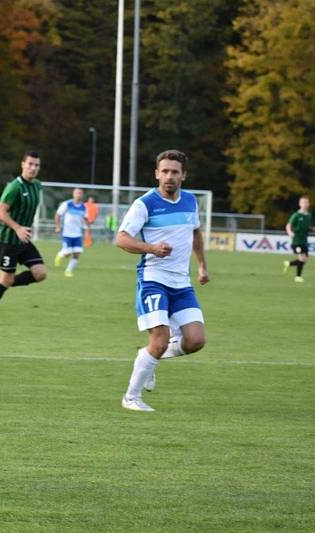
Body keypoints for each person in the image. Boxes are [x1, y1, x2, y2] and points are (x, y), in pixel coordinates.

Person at [115, 150, 209, 412]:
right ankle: (131, 397)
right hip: (153, 280)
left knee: (195, 341)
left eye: (175, 172)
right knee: (159, 340)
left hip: (182, 283)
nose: (169, 176)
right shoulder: (145, 204)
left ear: (183, 176)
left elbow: (196, 233)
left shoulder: (190, 202)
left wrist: (202, 265)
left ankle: (149, 357)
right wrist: (151, 248)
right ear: (157, 174)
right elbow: (122, 239)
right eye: (165, 171)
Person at [0, 151, 46, 326]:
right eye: (30, 164)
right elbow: (0, 211)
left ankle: (0, 283)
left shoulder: (37, 185)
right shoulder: (14, 187)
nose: (33, 168)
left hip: (23, 240)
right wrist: (17, 228)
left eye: (36, 165)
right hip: (8, 241)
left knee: (40, 274)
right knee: (6, 279)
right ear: (22, 164)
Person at [54, 188, 88, 277]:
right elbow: (58, 214)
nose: (78, 195)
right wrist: (57, 227)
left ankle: (68, 271)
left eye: (80, 193)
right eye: (77, 193)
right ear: (73, 194)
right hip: (67, 233)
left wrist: (87, 229)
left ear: (82, 195)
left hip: (78, 234)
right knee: (67, 253)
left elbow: (85, 219)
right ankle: (60, 254)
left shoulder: (84, 207)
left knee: (77, 253)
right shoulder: (67, 204)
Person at [283, 196, 315, 283]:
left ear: (309, 204)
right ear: (300, 204)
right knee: (302, 258)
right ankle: (297, 277)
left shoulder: (309, 215)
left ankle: (289, 264)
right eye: (303, 202)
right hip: (296, 241)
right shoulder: (296, 215)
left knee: (304, 260)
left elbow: (306, 227)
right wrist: (290, 232)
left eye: (306, 202)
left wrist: (312, 229)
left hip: (304, 241)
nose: (305, 204)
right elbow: (288, 225)